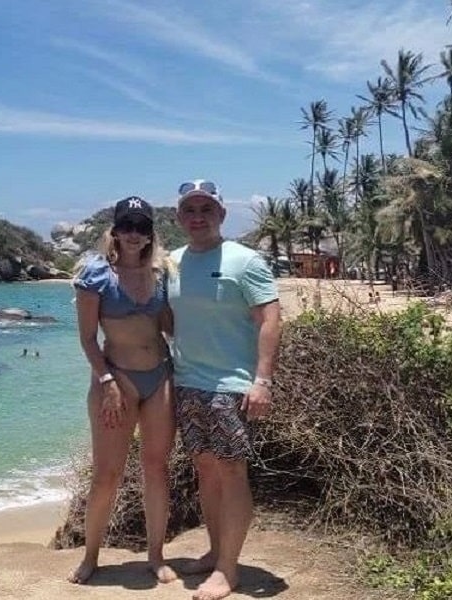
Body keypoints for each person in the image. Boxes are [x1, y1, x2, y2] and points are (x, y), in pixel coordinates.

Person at [167, 179, 281, 600]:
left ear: (221, 214)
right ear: (179, 217)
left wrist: (262, 380)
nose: (198, 217)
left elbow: (270, 319)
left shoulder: (245, 260)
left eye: (206, 209)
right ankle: (216, 552)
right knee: (205, 469)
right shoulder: (172, 263)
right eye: (190, 210)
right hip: (187, 382)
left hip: (231, 385)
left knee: (232, 471)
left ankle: (228, 570)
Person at [69, 196, 177, 585]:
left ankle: (156, 556)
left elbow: (170, 327)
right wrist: (107, 381)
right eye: (126, 226)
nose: (134, 234)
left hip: (160, 377)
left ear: (150, 234)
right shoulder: (96, 274)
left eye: (141, 227)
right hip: (116, 380)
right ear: (114, 231)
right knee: (106, 475)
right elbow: (87, 339)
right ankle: (90, 557)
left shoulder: (162, 273)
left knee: (157, 469)